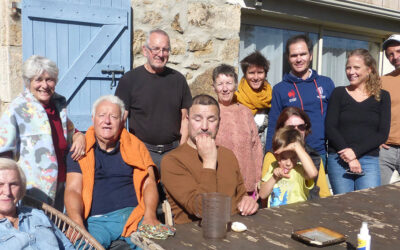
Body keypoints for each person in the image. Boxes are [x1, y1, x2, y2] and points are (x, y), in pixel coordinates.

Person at [65, 95, 160, 249]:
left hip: (134, 216)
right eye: (101, 115)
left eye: (113, 117)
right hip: (96, 221)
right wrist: (76, 221)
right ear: (93, 119)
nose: (107, 121)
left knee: (157, 246)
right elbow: (73, 190)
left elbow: (149, 183)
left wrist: (150, 215)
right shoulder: (79, 151)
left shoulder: (136, 147)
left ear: (122, 121)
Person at [0, 55, 85, 209]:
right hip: (33, 189)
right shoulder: (16, 109)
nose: (44, 85)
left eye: (49, 79)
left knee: (58, 227)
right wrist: (9, 187)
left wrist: (79, 136)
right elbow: (3, 153)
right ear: (28, 82)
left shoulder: (57, 106)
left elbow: (71, 131)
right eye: (38, 79)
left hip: (62, 183)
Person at [161, 95, 258, 224]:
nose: (205, 126)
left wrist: (248, 202)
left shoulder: (227, 154)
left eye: (211, 119)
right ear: (188, 120)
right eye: (198, 119)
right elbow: (202, 210)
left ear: (219, 122)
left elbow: (240, 195)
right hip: (195, 237)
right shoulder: (172, 161)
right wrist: (209, 161)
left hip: (235, 231)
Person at [115, 29, 192, 170]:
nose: (160, 54)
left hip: (173, 153)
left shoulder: (178, 80)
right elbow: (119, 118)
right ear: (145, 50)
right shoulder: (130, 80)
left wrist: (181, 150)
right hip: (141, 152)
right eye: (155, 49)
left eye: (165, 50)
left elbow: (185, 119)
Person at [325, 49, 391, 194]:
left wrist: (354, 153)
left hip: (369, 160)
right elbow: (330, 127)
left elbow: (382, 134)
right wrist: (348, 156)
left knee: (368, 207)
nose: (351, 72)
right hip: (339, 159)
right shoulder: (338, 93)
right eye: (348, 67)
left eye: (356, 67)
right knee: (343, 208)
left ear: (369, 70)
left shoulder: (383, 96)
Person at [265, 35, 335, 165]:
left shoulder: (326, 83)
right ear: (288, 58)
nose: (298, 59)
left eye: (303, 54)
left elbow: (337, 118)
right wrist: (270, 155)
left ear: (311, 55)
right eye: (294, 55)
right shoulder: (280, 89)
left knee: (318, 186)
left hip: (320, 153)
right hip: (291, 154)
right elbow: (274, 125)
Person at [0, 158, 74, 249]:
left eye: (13, 184)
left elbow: (67, 246)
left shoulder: (37, 215)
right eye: (0, 184)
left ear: (21, 189)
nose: (7, 192)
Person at [212, 64, 263, 194]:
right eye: (220, 84)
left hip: (247, 182)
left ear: (235, 86)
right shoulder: (210, 112)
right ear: (214, 87)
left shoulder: (245, 112)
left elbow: (256, 146)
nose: (225, 89)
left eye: (229, 83)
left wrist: (258, 178)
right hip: (220, 183)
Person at [262, 107, 331, 199]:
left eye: (301, 127)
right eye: (291, 128)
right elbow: (263, 196)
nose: (296, 131)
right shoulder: (272, 156)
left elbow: (324, 193)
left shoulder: (314, 157)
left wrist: (296, 147)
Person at [259, 127, 318, 207]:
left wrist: (297, 147)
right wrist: (274, 177)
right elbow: (262, 194)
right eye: (283, 158)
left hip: (297, 216)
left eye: (293, 158)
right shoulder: (273, 167)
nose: (288, 163)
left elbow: (313, 173)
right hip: (276, 217)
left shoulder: (300, 170)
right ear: (276, 155)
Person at [235, 51, 272, 148]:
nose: (256, 77)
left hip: (265, 156)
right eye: (251, 73)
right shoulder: (235, 99)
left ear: (266, 74)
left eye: (260, 72)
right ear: (245, 74)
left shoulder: (271, 98)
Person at [380, 34, 400, 185]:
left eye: (399, 51)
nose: (395, 57)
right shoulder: (383, 81)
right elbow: (370, 112)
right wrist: (376, 138)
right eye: (390, 54)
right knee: (377, 195)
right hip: (386, 149)